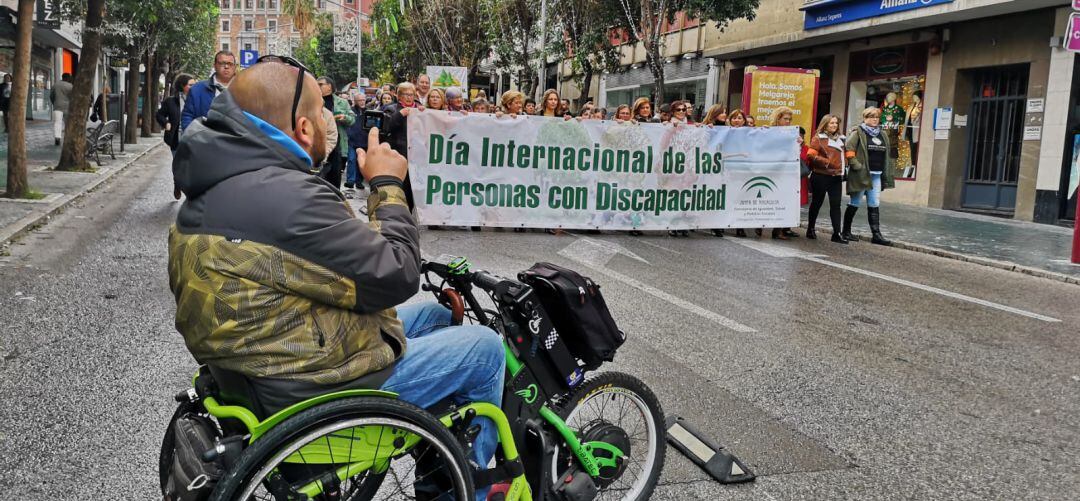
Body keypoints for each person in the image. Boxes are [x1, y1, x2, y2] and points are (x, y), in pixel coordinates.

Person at [168, 59, 504, 501]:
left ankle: (434, 451)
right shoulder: (288, 195)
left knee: (436, 313)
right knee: (485, 349)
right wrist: (386, 185)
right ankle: (469, 487)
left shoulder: (217, 184)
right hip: (308, 394)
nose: (331, 125)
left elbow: (331, 271)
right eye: (323, 116)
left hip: (259, 372)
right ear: (303, 127)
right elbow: (397, 272)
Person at [845, 107, 894, 245]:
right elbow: (849, 149)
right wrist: (857, 166)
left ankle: (876, 235)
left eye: (877, 117)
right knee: (855, 202)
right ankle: (846, 231)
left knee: (874, 203)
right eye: (871, 117)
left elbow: (886, 153)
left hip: (877, 175)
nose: (874, 119)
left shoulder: (882, 134)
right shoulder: (858, 132)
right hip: (862, 174)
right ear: (865, 118)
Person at [805, 115, 848, 244]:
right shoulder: (818, 138)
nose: (834, 125)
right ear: (825, 124)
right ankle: (810, 228)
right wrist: (827, 162)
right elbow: (810, 155)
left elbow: (844, 156)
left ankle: (836, 233)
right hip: (821, 175)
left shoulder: (842, 139)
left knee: (836, 205)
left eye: (836, 123)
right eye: (831, 123)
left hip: (836, 176)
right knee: (817, 203)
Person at [382, 81, 423, 208]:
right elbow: (387, 127)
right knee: (399, 185)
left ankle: (408, 214)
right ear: (399, 96)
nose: (409, 97)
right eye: (405, 94)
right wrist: (401, 114)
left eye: (411, 94)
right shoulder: (391, 109)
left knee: (411, 188)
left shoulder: (420, 109)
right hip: (399, 153)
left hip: (417, 155)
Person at [155, 73, 195, 199]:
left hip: (194, 138)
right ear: (182, 86)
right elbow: (159, 115)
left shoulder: (196, 99)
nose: (194, 87)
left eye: (195, 85)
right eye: (190, 85)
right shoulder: (171, 101)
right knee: (178, 164)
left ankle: (190, 189)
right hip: (176, 139)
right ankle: (177, 184)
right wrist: (166, 123)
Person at [181, 51, 236, 131]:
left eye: (230, 64)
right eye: (222, 63)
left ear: (235, 66)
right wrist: (194, 136)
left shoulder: (245, 89)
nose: (226, 66)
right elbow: (187, 116)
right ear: (215, 65)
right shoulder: (197, 89)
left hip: (235, 140)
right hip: (205, 139)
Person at [317, 76, 356, 189]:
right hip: (319, 142)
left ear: (329, 86)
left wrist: (344, 117)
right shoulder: (313, 101)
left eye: (320, 84)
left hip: (337, 145)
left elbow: (352, 120)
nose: (317, 86)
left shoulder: (342, 102)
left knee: (334, 178)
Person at [769, 106, 800, 240]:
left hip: (785, 171)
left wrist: (799, 143)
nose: (788, 121)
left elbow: (795, 153)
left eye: (789, 119)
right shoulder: (769, 132)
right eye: (785, 119)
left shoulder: (792, 133)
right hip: (771, 170)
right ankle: (758, 225)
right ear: (778, 118)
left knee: (782, 199)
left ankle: (778, 230)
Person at [344, 93, 368, 194]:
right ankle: (350, 181)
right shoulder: (351, 111)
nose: (362, 102)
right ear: (355, 101)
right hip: (352, 141)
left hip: (364, 141)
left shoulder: (368, 112)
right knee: (351, 159)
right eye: (360, 100)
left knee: (361, 162)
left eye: (363, 100)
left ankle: (359, 181)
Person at [50, 73, 73, 145]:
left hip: (57, 106)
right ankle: (68, 138)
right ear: (68, 78)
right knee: (68, 123)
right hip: (68, 107)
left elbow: (51, 96)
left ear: (62, 77)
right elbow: (73, 97)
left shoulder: (55, 85)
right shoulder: (71, 86)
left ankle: (57, 138)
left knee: (57, 123)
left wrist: (54, 103)